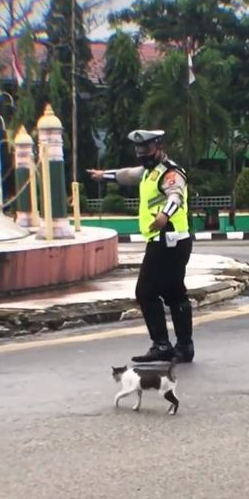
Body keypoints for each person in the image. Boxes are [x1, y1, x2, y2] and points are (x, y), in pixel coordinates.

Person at [88, 129, 195, 363]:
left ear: (158, 147)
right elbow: (127, 175)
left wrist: (165, 215)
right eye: (139, 151)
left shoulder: (170, 173)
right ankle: (184, 347)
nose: (142, 154)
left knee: (145, 292)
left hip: (168, 240)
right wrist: (102, 175)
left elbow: (175, 197)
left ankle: (162, 344)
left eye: (146, 149)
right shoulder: (150, 172)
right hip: (169, 241)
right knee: (174, 292)